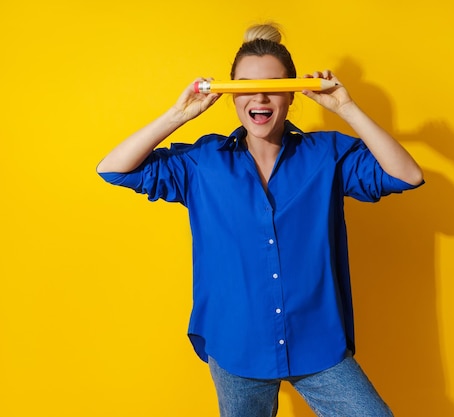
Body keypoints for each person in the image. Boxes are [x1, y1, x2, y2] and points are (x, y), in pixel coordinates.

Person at [97, 22, 424, 417]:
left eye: (273, 86)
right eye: (246, 87)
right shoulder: (204, 163)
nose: (260, 97)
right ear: (232, 96)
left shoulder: (326, 155)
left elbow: (407, 175)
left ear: (291, 96)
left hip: (316, 342)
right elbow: (113, 169)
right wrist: (177, 115)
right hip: (236, 347)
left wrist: (346, 108)